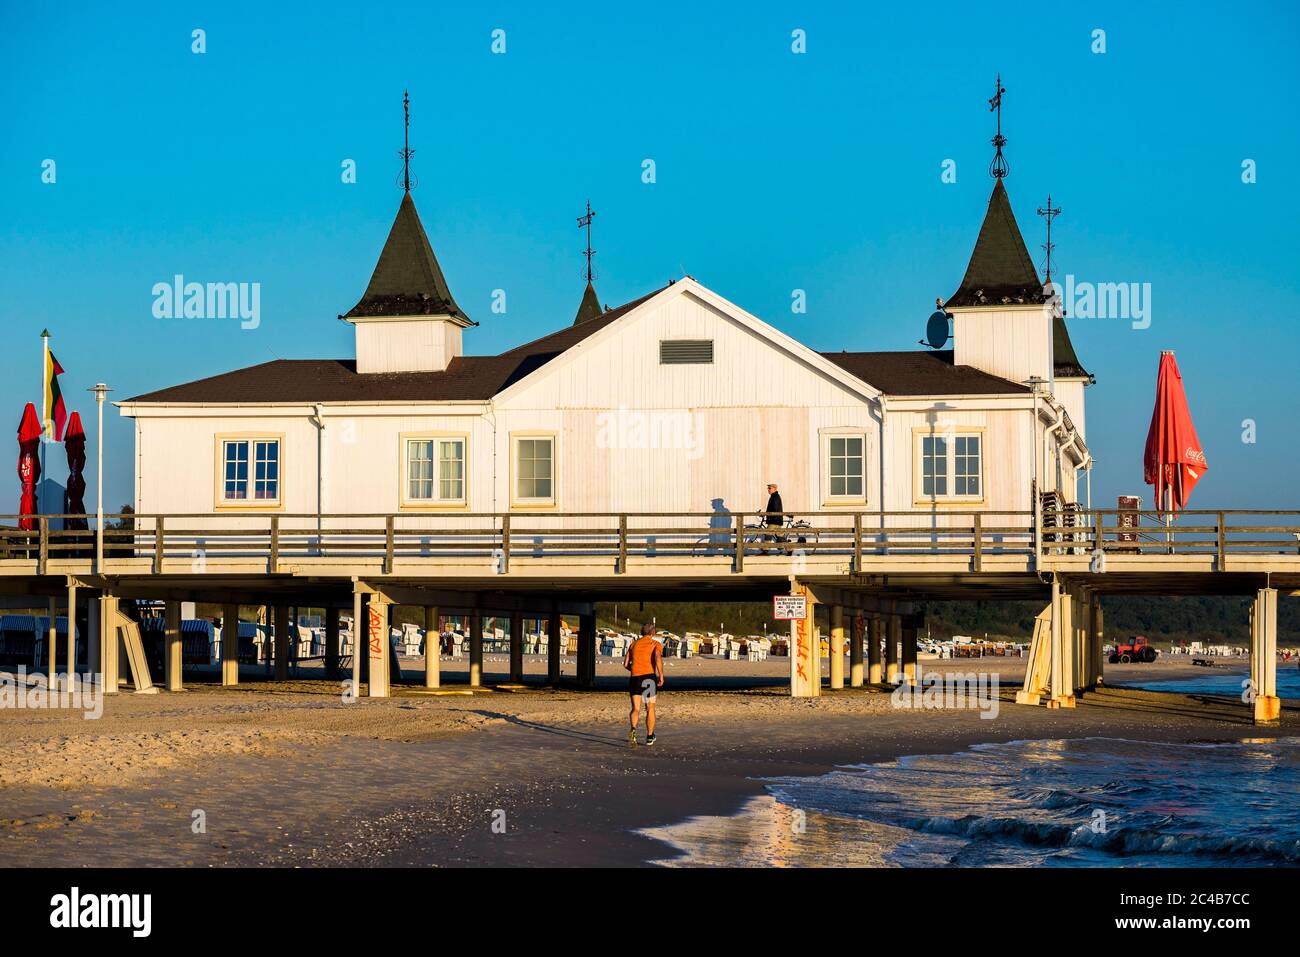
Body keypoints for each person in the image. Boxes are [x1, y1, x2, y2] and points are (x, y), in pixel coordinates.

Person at [622, 623, 664, 746]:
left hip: (635, 678)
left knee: (636, 708)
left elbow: (625, 664)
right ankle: (650, 736)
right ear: (653, 633)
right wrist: (661, 674)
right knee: (650, 708)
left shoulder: (633, 644)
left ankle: (633, 730)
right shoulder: (655, 644)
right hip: (649, 678)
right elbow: (657, 657)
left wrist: (635, 670)